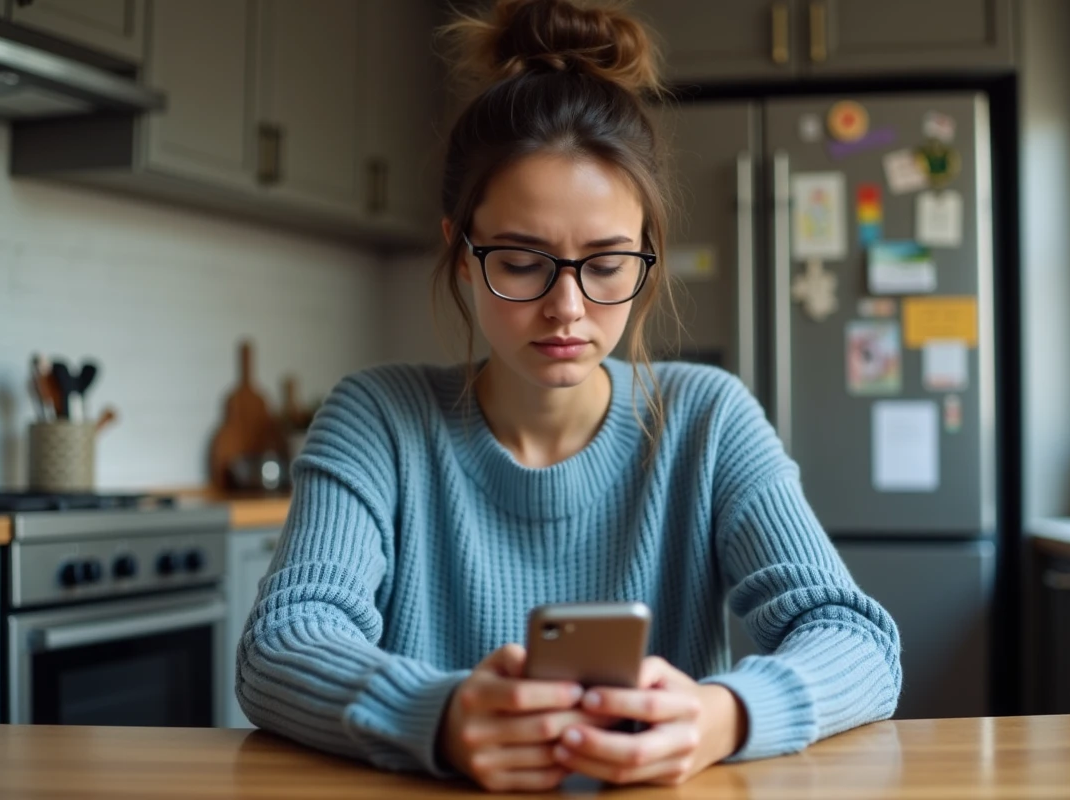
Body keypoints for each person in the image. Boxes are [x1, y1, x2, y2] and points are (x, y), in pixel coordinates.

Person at [235, 0, 902, 792]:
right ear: (460, 253)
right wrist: (439, 716)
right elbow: (282, 643)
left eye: (608, 262)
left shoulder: (708, 419)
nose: (568, 309)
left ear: (648, 256)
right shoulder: (377, 419)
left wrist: (722, 717)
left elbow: (854, 637)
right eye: (521, 261)